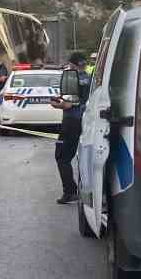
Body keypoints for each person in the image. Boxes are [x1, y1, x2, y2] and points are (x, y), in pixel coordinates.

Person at [51, 51, 90, 205]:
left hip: (71, 122)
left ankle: (70, 192)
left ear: (72, 64)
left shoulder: (72, 78)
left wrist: (60, 104)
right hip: (87, 121)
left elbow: (69, 103)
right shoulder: (91, 77)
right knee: (84, 155)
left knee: (62, 157)